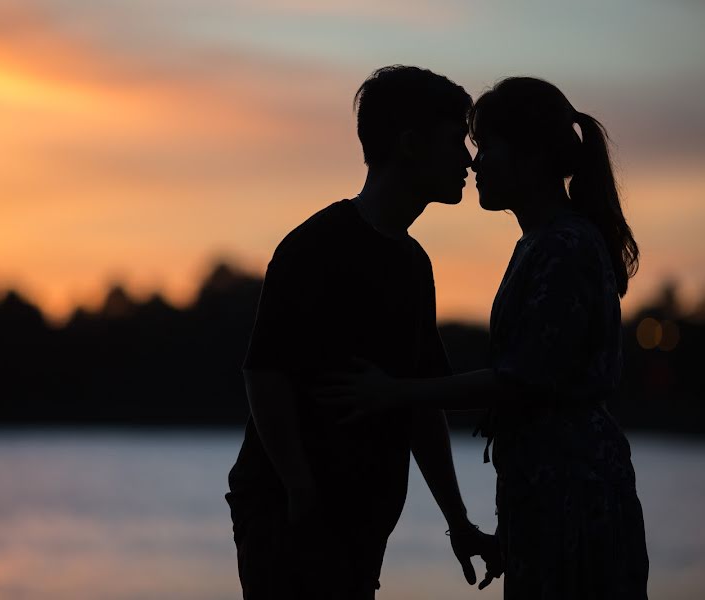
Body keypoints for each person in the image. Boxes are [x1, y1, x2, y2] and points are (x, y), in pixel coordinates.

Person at [319, 77, 650, 599]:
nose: (474, 164)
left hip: (572, 490)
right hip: (546, 486)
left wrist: (395, 392)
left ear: (533, 157)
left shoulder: (564, 247)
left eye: (486, 146)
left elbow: (522, 379)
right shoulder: (542, 243)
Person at [225, 65, 499, 600]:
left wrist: (458, 521)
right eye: (453, 141)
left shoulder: (413, 265)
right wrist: (301, 492)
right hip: (293, 520)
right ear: (410, 145)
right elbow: (263, 374)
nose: (467, 159)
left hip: (358, 522)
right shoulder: (314, 248)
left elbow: (420, 402)